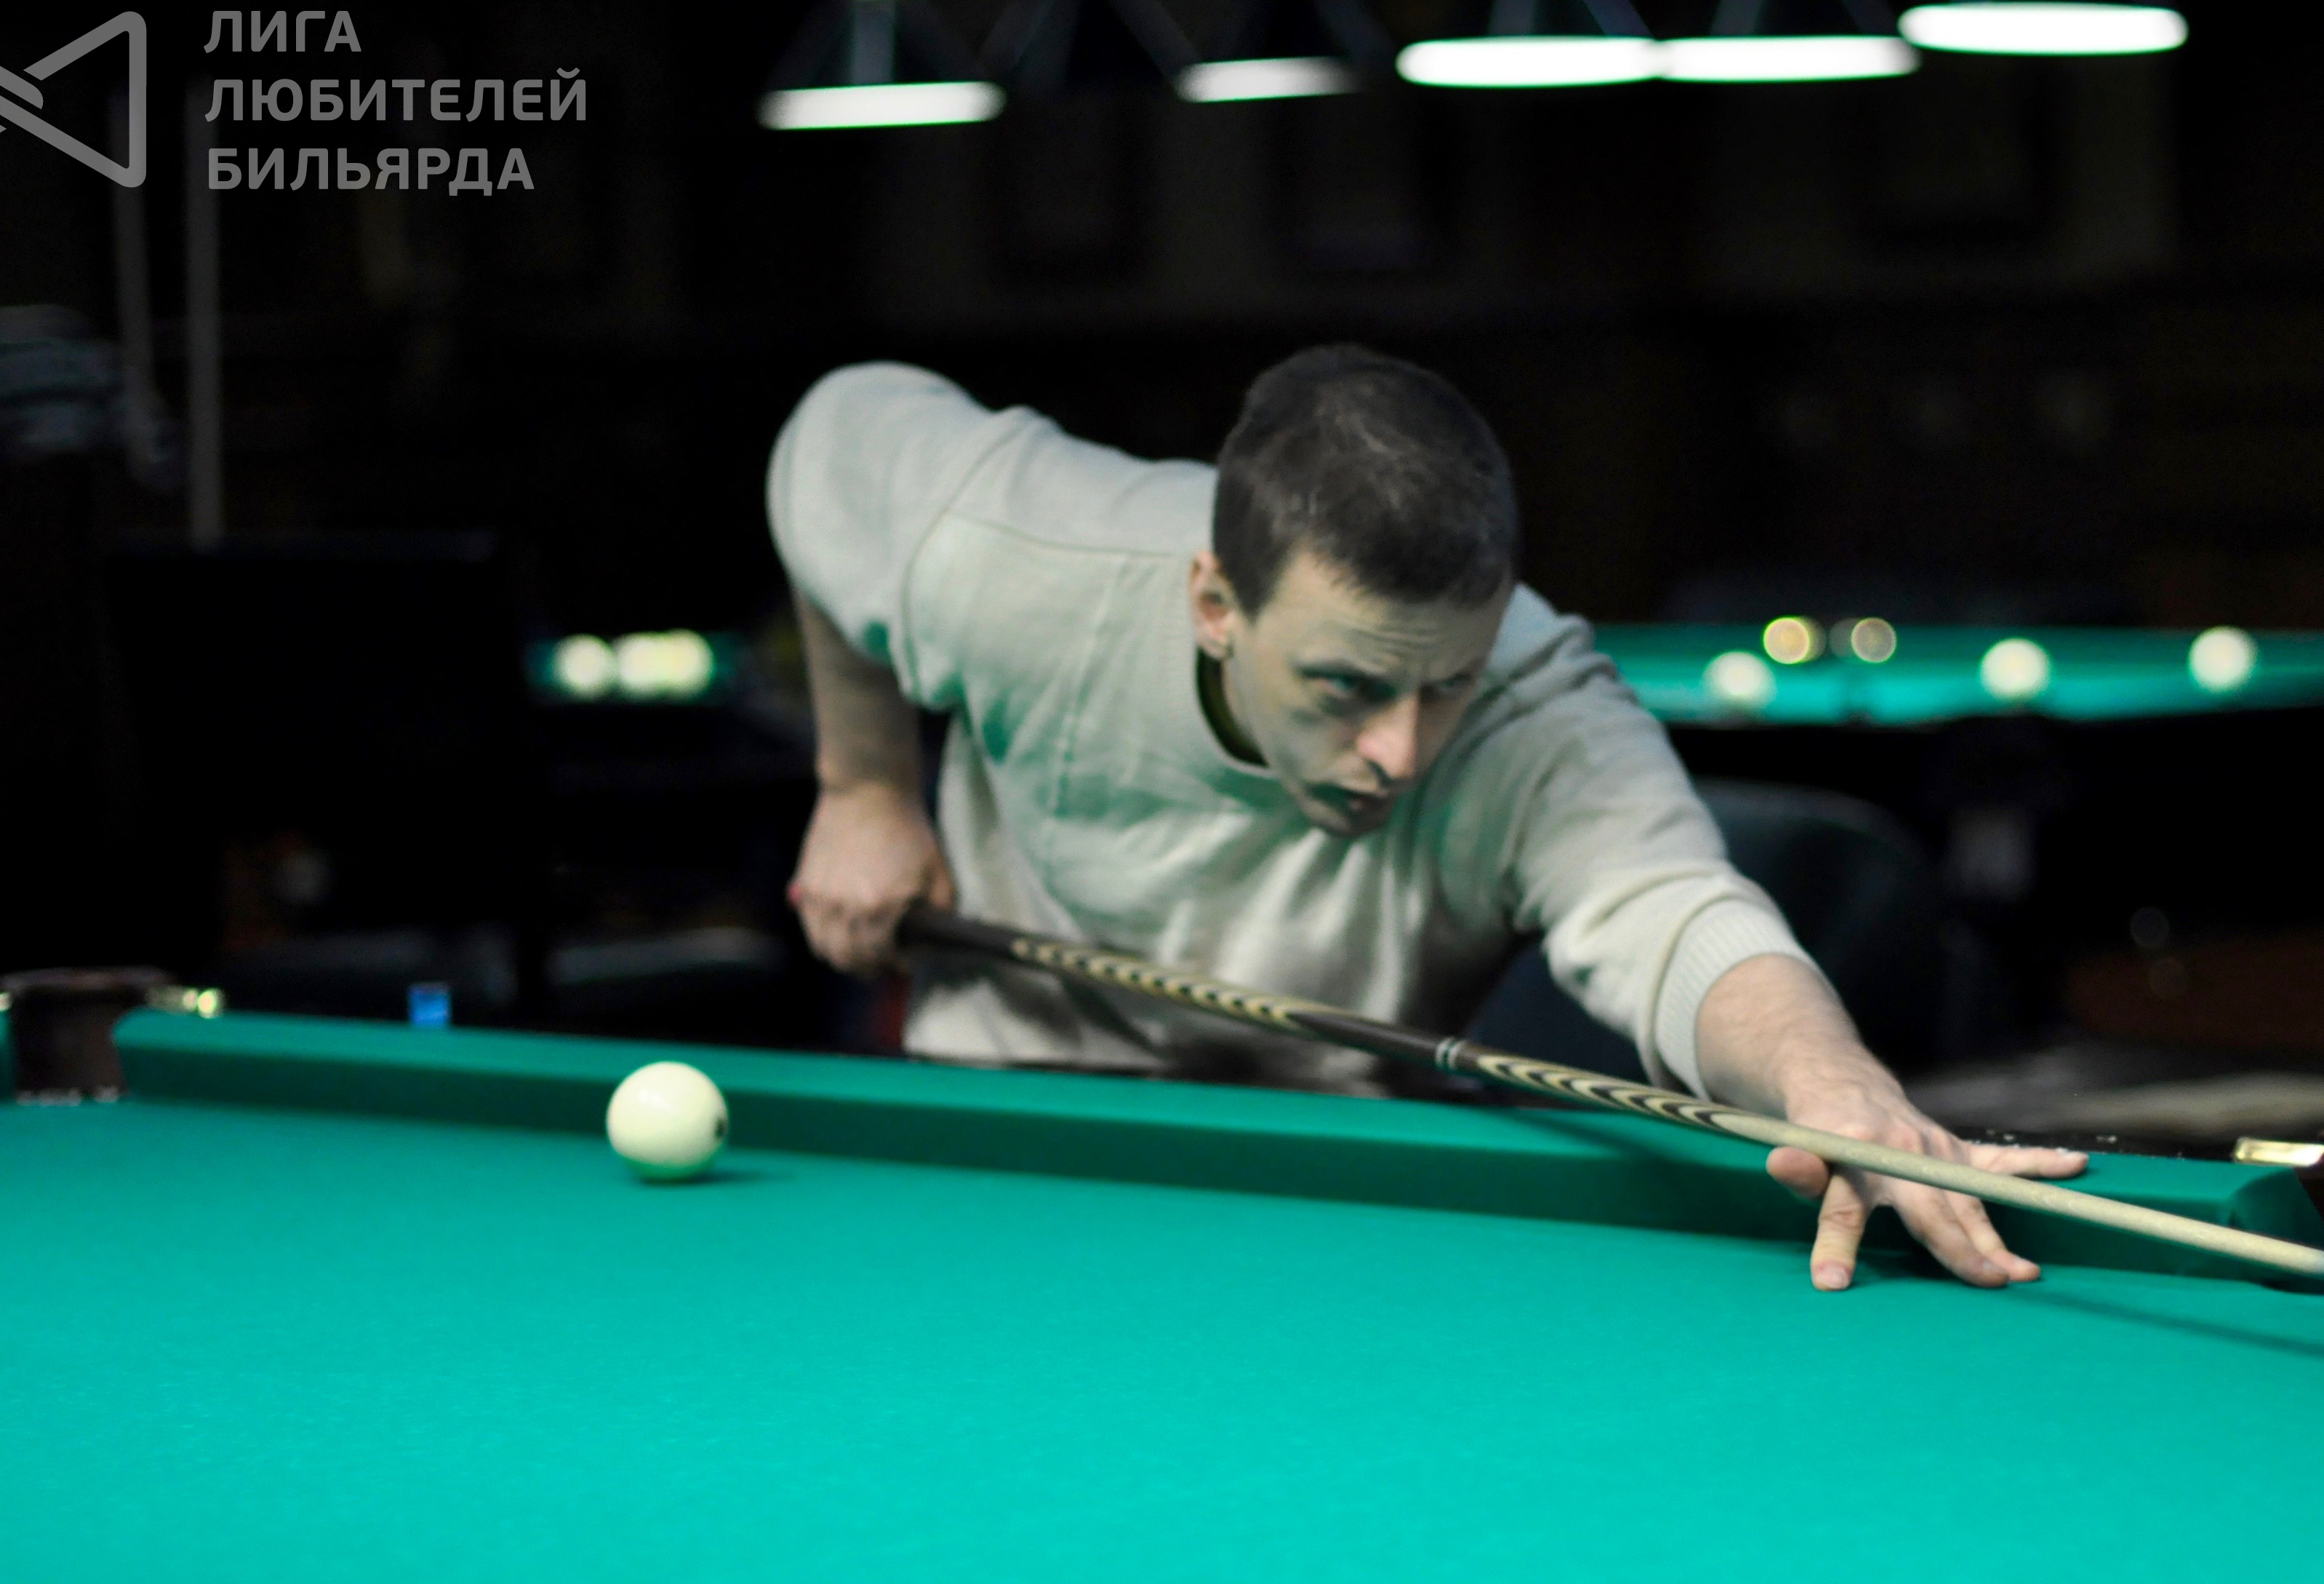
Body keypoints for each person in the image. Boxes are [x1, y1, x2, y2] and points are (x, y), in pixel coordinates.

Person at [768, 344, 2083, 1289]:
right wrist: (863, 786)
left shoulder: (1538, 706)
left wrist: (1827, 1078)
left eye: (1443, 682)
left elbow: (1676, 912)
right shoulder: (1019, 556)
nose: (1399, 751)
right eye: (1344, 687)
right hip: (1005, 1128)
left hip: (1349, 1191)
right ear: (1216, 604)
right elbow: (836, 430)